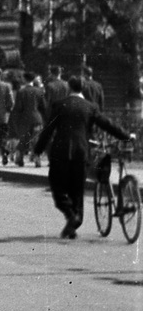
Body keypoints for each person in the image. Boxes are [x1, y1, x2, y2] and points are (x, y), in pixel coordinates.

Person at [33, 76, 131, 238]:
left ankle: (71, 216)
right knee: (77, 189)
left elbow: (48, 130)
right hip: (81, 152)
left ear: (69, 88)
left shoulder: (60, 105)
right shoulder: (90, 107)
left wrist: (38, 149)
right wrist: (125, 136)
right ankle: (75, 221)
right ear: (83, 89)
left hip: (61, 152)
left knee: (57, 187)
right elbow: (107, 124)